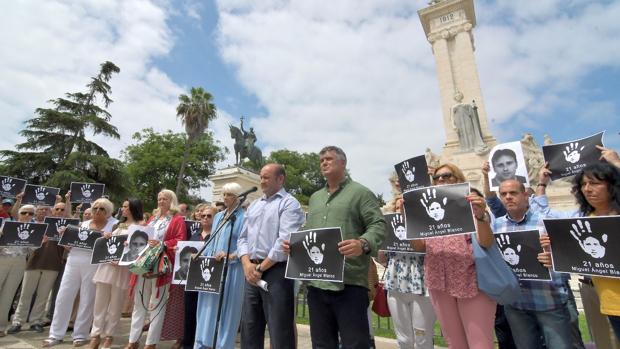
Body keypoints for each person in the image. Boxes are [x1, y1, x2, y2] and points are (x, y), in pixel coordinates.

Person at [284, 146, 386, 349]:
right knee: (321, 344)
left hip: (349, 282)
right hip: (317, 284)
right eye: (321, 160)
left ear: (343, 163)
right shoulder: (315, 198)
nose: (324, 162)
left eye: (329, 159)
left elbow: (378, 225)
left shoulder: (361, 193)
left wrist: (363, 243)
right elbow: (310, 233)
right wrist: (296, 247)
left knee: (355, 343)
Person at [411, 164, 496, 349]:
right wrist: (410, 218)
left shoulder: (472, 206)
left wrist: (481, 216)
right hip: (438, 282)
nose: (441, 180)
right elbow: (419, 247)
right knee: (454, 343)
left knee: (480, 344)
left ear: (458, 179)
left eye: (447, 176)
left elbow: (486, 242)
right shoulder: (427, 214)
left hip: (471, 282)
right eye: (437, 178)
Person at [539, 150, 620, 344]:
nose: (587, 189)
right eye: (583, 184)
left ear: (612, 185)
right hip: (611, 303)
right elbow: (542, 212)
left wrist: (616, 163)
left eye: (595, 183)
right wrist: (556, 258)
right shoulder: (583, 220)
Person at [492, 179, 573, 348]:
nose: (508, 197)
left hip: (549, 303)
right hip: (515, 305)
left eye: (513, 193)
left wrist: (555, 259)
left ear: (526, 195)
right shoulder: (496, 225)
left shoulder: (548, 221)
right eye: (503, 194)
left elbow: (571, 257)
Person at [237, 163, 305, 349]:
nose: (261, 181)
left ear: (280, 179)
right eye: (261, 177)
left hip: (276, 273)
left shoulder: (289, 203)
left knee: (279, 330)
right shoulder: (254, 205)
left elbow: (285, 241)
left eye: (266, 177)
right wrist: (246, 265)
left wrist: (259, 268)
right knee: (250, 328)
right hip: (251, 272)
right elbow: (242, 238)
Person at [43, 198, 117, 347]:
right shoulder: (82, 225)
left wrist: (108, 239)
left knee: (87, 299)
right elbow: (69, 246)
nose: (97, 211)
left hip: (94, 264)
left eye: (102, 209)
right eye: (95, 208)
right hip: (73, 261)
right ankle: (55, 334)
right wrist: (65, 237)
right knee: (63, 297)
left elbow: (112, 249)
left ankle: (80, 334)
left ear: (108, 212)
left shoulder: (112, 226)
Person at [125, 189, 186, 349]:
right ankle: (133, 340)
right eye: (159, 198)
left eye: (165, 198)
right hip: (144, 263)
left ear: (171, 200)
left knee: (157, 304)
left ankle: (151, 343)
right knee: (139, 302)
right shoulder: (152, 218)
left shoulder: (177, 219)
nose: (161, 201)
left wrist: (163, 244)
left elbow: (180, 240)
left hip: (161, 265)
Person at [380, 196, 436, 349]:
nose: (402, 211)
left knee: (422, 338)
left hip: (422, 285)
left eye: (406, 207)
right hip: (395, 283)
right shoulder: (389, 228)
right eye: (399, 208)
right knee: (403, 338)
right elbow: (382, 259)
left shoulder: (426, 226)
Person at [195, 183, 246, 349]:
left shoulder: (244, 217)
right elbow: (212, 241)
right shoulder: (218, 216)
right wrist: (204, 255)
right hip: (214, 267)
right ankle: (204, 342)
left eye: (229, 194)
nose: (225, 198)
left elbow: (247, 245)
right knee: (208, 305)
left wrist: (231, 255)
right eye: (224, 194)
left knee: (227, 309)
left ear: (238, 197)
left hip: (232, 268)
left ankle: (223, 345)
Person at [89, 198, 144, 349]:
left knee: (115, 305)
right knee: (99, 303)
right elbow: (109, 245)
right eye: (123, 206)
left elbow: (140, 250)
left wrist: (127, 252)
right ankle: (95, 335)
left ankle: (109, 335)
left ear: (133, 208)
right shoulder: (116, 225)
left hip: (122, 269)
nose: (123, 209)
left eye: (126, 206)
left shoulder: (140, 227)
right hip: (107, 266)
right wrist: (107, 237)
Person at [8, 200, 66, 334]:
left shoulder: (61, 227)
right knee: (25, 294)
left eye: (46, 209)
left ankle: (36, 321)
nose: (43, 211)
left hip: (52, 264)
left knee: (43, 295)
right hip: (33, 263)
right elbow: (16, 215)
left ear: (50, 211)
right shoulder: (31, 225)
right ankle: (18, 321)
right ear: (36, 212)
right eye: (41, 209)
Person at [0, 205, 40, 336]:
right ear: (19, 213)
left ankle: (1, 326)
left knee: (9, 294)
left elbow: (30, 250)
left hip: (20, 262)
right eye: (24, 212)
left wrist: (39, 242)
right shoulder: (7, 223)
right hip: (2, 258)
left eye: (30, 213)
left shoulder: (34, 229)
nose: (27, 215)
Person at [182, 206, 216, 349]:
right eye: (202, 216)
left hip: (208, 282)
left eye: (209, 216)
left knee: (206, 316)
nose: (205, 218)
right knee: (190, 314)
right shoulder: (194, 235)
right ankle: (188, 345)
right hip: (191, 282)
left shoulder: (216, 236)